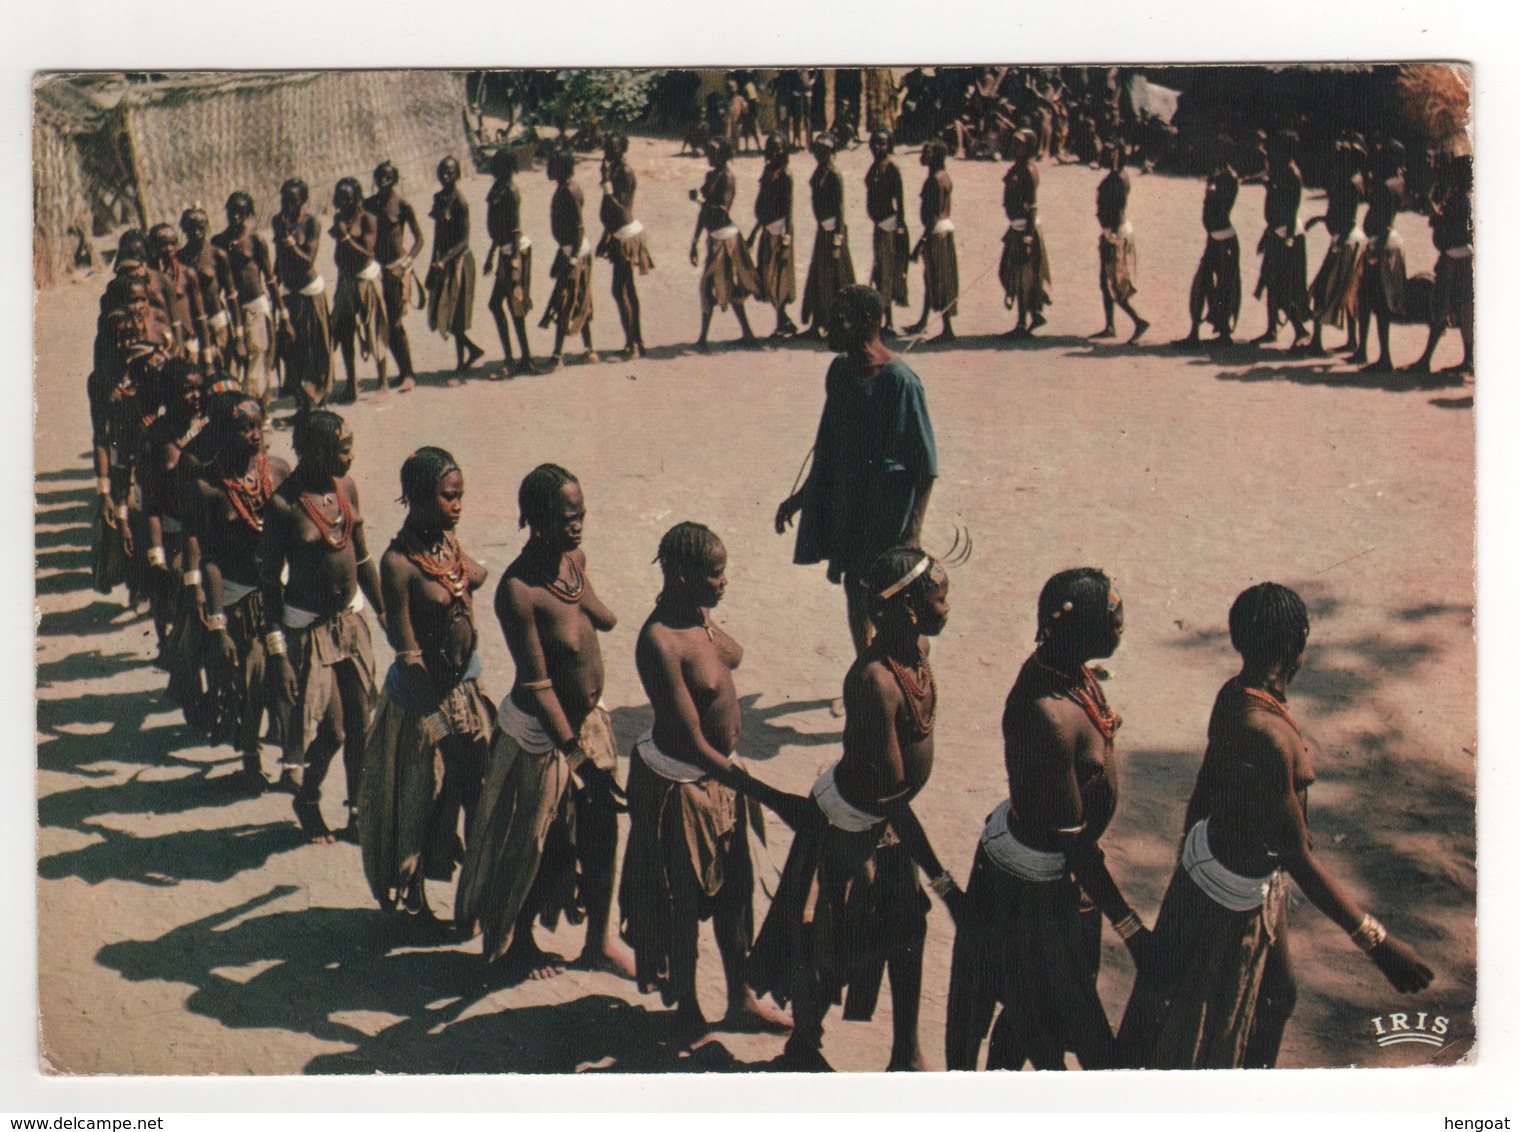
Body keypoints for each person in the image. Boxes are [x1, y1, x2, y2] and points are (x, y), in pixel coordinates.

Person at [1115, 583, 1434, 1068]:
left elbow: (1204, 791)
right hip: (1230, 892)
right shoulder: (1264, 734)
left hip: (1241, 879)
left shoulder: (1239, 695)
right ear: (1295, 645)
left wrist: (1185, 869)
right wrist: (1378, 943)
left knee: (1277, 995)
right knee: (1198, 1030)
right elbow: (1296, 856)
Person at [747, 547, 963, 1071]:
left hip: (888, 824)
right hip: (850, 830)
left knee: (908, 928)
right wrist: (942, 880)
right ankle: (803, 1046)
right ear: (909, 609)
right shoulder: (874, 682)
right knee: (831, 940)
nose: (949, 605)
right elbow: (889, 797)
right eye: (941, 597)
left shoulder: (913, 651)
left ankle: (904, 1054)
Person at [944, 569, 1151, 1070]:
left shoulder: (1070, 675)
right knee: (1073, 1034)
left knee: (1031, 1015)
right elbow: (1075, 843)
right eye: (1112, 616)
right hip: (1031, 891)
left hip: (1058, 879)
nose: (1121, 624)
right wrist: (1130, 927)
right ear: (1077, 630)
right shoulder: (1047, 715)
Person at [620, 522, 801, 1034]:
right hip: (680, 786)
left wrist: (706, 618)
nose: (724, 584)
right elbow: (693, 742)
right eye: (714, 576)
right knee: (682, 902)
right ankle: (688, 1008)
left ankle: (739, 998)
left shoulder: (698, 622)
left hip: (721, 782)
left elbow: (734, 655)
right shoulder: (658, 641)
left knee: (735, 893)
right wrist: (771, 795)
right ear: (681, 576)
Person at [455, 464, 634, 981]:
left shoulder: (572, 561)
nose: (577, 525)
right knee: (537, 841)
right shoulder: (517, 590)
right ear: (534, 519)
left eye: (581, 514)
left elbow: (597, 615)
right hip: (541, 735)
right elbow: (537, 685)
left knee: (601, 831)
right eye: (565, 517)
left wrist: (588, 596)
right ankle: (519, 942)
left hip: (586, 724)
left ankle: (599, 942)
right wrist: (575, 755)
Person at [360, 447, 493, 920]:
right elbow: (409, 655)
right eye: (448, 497)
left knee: (475, 789)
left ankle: (474, 896)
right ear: (417, 497)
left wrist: (458, 580)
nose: (458, 506)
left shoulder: (447, 546)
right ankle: (410, 900)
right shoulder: (398, 565)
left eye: (461, 497)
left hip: (464, 694)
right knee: (420, 799)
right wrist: (439, 727)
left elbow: (478, 573)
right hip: (422, 705)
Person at [776, 285, 937, 658]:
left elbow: (925, 467)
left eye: (839, 318)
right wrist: (799, 499)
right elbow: (827, 445)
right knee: (854, 586)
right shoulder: (840, 371)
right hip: (849, 502)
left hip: (887, 508)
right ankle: (866, 666)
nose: (829, 325)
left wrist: (912, 533)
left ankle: (899, 673)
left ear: (866, 320)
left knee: (889, 595)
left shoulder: (902, 381)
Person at [260, 410, 383, 843]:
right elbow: (269, 586)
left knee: (362, 723)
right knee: (333, 729)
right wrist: (279, 657)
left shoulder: (346, 488)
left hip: (351, 620)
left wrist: (386, 616)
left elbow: (363, 558)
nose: (350, 457)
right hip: (308, 631)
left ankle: (357, 810)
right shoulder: (282, 506)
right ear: (313, 452)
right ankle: (308, 797)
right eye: (342, 449)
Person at [183, 392, 291, 786]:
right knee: (250, 682)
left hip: (276, 592)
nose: (254, 435)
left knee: (283, 678)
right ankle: (251, 755)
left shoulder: (278, 472)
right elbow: (209, 556)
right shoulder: (209, 486)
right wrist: (218, 623)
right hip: (238, 597)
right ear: (224, 434)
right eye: (244, 428)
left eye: (258, 425)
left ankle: (291, 761)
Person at [87, 272, 171, 604]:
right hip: (125, 460)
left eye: (141, 302)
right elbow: (101, 435)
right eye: (115, 336)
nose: (123, 341)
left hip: (157, 453)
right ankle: (139, 583)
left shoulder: (155, 363)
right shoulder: (102, 380)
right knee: (128, 522)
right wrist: (103, 490)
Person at [136, 358, 205, 666]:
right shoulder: (155, 437)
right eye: (187, 390)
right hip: (174, 533)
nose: (196, 396)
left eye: (198, 389)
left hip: (210, 533)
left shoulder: (208, 427)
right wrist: (156, 554)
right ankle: (172, 650)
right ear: (169, 395)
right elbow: (149, 500)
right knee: (174, 601)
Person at [212, 192, 285, 413]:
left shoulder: (255, 241)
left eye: (241, 213)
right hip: (232, 311)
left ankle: (260, 412)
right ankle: (239, 411)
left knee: (259, 360)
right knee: (234, 362)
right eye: (232, 212)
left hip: (256, 306)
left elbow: (270, 278)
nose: (236, 217)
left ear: (249, 215)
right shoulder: (219, 243)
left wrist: (282, 310)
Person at [689, 137, 760, 352]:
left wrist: (700, 201)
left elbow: (722, 210)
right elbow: (704, 213)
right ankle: (746, 334)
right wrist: (694, 241)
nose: (709, 156)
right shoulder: (711, 176)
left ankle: (704, 339)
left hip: (727, 240)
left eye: (713, 152)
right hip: (716, 238)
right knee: (725, 286)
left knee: (712, 285)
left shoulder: (728, 178)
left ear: (723, 155)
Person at [1407, 152, 1473, 377]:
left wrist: (1433, 209)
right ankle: (1468, 360)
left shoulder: (1458, 199)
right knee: (1463, 311)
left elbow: (1443, 223)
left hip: (1453, 262)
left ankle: (1426, 360)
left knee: (1440, 308)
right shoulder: (1464, 198)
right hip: (1463, 260)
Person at [271, 178, 334, 416]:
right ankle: (303, 401)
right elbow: (279, 254)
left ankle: (319, 397)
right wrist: (275, 280)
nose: (287, 204)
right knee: (294, 348)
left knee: (316, 345)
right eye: (284, 199)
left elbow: (308, 259)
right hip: (289, 292)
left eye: (293, 200)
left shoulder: (312, 223)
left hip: (310, 292)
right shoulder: (278, 221)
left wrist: (291, 244)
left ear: (303, 201)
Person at [328, 177, 389, 404]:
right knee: (344, 332)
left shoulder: (368, 219)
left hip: (366, 281)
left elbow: (368, 252)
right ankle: (352, 385)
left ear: (357, 198)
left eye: (348, 197)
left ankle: (383, 381)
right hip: (346, 281)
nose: (343, 202)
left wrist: (346, 238)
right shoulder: (339, 218)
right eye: (340, 197)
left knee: (374, 329)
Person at [1303, 136, 1366, 356]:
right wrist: (1320, 219)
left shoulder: (1347, 183)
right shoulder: (1353, 180)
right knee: (1348, 289)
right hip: (1349, 237)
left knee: (1322, 288)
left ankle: (1317, 342)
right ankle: (1352, 339)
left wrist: (1335, 238)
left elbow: (1345, 215)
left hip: (1344, 239)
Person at [1176, 136, 1242, 346]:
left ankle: (1224, 333)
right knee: (1202, 282)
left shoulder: (1228, 178)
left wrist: (1213, 187)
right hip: (1214, 239)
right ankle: (1195, 332)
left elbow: (1219, 210)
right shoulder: (1217, 177)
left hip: (1224, 240)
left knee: (1225, 286)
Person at [365, 160, 423, 393]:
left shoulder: (403, 205)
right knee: (383, 323)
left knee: (396, 322)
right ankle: (397, 372)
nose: (384, 181)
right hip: (377, 270)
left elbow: (420, 238)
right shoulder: (369, 205)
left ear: (395, 179)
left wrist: (408, 261)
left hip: (398, 269)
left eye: (389, 177)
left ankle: (408, 373)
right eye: (380, 177)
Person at [595, 133, 654, 360]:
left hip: (627, 235)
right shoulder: (615, 171)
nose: (608, 151)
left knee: (620, 290)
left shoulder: (625, 173)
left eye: (614, 148)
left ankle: (632, 344)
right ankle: (636, 340)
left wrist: (607, 186)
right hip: (618, 234)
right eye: (607, 147)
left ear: (623, 150)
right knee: (627, 289)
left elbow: (623, 210)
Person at [426, 156, 485, 379]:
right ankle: (472, 350)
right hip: (444, 262)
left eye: (451, 172)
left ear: (458, 175)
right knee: (446, 313)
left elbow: (464, 241)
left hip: (460, 262)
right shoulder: (439, 199)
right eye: (443, 172)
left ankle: (461, 365)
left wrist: (445, 260)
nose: (446, 176)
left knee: (456, 315)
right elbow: (438, 236)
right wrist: (433, 264)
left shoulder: (460, 202)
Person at [538, 148, 597, 370]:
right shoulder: (564, 188)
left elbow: (579, 228)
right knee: (580, 299)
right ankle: (589, 350)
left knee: (565, 302)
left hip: (575, 254)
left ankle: (557, 356)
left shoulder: (570, 190)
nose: (548, 169)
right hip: (570, 251)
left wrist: (572, 260)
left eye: (552, 166)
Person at [482, 147, 538, 377]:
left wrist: (514, 271)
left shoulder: (510, 192)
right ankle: (522, 358)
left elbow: (514, 231)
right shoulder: (497, 189)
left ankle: (513, 360)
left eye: (497, 164)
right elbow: (498, 229)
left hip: (515, 253)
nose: (493, 167)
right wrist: (491, 255)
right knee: (507, 307)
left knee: (504, 305)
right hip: (506, 252)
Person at [1351, 140, 1407, 373]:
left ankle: (1380, 355)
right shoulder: (1398, 182)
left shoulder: (1385, 186)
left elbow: (1381, 223)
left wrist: (1373, 256)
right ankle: (1366, 350)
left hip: (1379, 247)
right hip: (1384, 244)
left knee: (1372, 300)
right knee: (1371, 300)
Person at [1253, 130, 1310, 347]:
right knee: (1270, 281)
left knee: (1282, 285)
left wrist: (1279, 238)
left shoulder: (1291, 174)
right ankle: (1271, 330)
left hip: (1287, 236)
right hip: (1277, 232)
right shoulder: (1281, 170)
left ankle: (1300, 330)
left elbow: (1290, 210)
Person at [799, 135, 857, 339]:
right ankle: (818, 322)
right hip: (822, 231)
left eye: (822, 151)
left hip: (833, 232)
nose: (818, 155)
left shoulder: (834, 174)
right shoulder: (821, 171)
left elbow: (840, 208)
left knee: (837, 278)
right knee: (818, 277)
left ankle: (840, 324)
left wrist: (838, 240)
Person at [998, 128, 1053, 339]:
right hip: (1016, 227)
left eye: (1021, 144)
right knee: (1010, 274)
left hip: (1025, 230)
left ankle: (1022, 323)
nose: (1016, 147)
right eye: (1014, 143)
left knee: (1022, 278)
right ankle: (1032, 315)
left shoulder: (1028, 171)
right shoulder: (1017, 168)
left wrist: (1028, 236)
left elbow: (1033, 205)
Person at [1092, 146, 1148, 342]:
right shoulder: (1119, 177)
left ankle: (1138, 321)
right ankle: (1110, 326)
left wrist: (1111, 235)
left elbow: (1117, 208)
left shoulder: (1117, 179)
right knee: (1106, 283)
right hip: (1114, 231)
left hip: (1115, 234)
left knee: (1112, 283)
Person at [904, 139, 957, 342]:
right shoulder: (943, 176)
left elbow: (933, 216)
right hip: (942, 232)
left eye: (927, 152)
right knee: (931, 278)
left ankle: (947, 329)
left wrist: (919, 245)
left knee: (938, 280)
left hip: (936, 234)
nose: (923, 155)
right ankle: (923, 321)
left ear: (936, 156)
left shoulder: (935, 180)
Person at [747, 134, 799, 338]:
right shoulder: (768, 171)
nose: (774, 152)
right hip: (767, 231)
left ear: (785, 150)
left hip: (779, 232)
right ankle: (784, 320)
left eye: (778, 148)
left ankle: (782, 322)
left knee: (780, 279)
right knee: (768, 277)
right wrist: (754, 232)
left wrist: (787, 241)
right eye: (770, 147)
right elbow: (764, 205)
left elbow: (789, 211)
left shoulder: (786, 174)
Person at [864, 129, 909, 336]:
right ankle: (885, 319)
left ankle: (889, 322)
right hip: (879, 228)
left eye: (882, 143)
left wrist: (899, 228)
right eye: (874, 143)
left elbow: (900, 202)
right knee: (881, 272)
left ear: (889, 145)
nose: (877, 147)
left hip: (890, 226)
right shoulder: (874, 168)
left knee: (889, 273)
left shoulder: (892, 169)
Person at [177, 207, 233, 371]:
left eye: (201, 227)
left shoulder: (217, 255)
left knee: (224, 367)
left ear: (207, 227)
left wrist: (238, 330)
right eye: (191, 227)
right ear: (184, 229)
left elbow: (231, 293)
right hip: (193, 323)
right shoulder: (179, 258)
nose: (196, 232)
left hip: (216, 319)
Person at [147, 222, 210, 367]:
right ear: (154, 247)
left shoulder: (187, 275)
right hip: (161, 342)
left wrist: (207, 352)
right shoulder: (148, 278)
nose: (168, 249)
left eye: (172, 244)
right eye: (163, 244)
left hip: (188, 339)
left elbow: (200, 315)